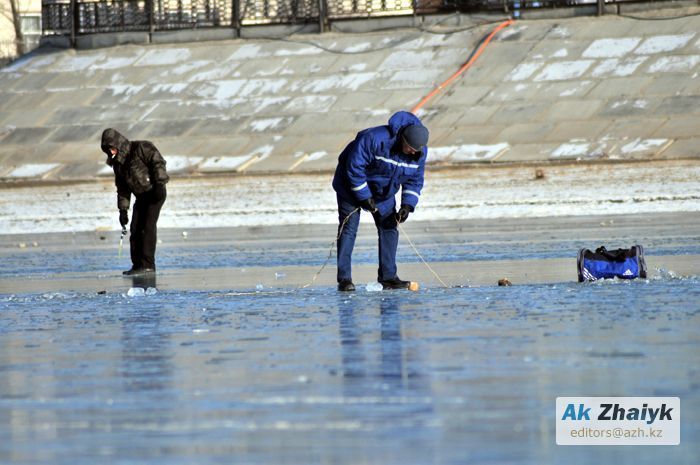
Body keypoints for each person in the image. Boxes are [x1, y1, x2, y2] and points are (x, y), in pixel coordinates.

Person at [332, 111, 429, 291]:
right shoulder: (374, 139)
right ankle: (344, 279)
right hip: (351, 185)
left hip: (383, 191)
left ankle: (388, 277)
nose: (413, 153)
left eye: (417, 150)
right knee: (349, 228)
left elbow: (414, 180)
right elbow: (354, 168)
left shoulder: (419, 152)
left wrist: (407, 205)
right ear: (403, 140)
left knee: (389, 227)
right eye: (411, 149)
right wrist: (363, 197)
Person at [101, 128, 169, 276]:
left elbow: (158, 163)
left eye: (112, 148)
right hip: (141, 197)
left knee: (147, 227)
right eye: (108, 150)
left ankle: (148, 265)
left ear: (119, 143)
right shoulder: (118, 164)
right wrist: (123, 211)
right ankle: (138, 265)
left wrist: (159, 184)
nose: (111, 152)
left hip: (155, 193)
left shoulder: (142, 148)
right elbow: (123, 189)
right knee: (135, 229)